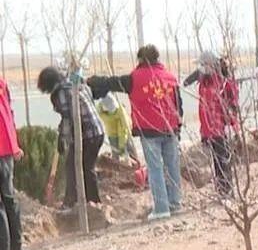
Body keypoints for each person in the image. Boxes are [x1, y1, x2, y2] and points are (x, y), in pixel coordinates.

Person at [88, 45, 184, 221]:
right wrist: (178, 127)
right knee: (172, 166)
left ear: (140, 59)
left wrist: (92, 81)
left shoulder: (135, 78)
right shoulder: (170, 77)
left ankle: (162, 208)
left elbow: (111, 82)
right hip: (171, 128)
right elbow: (179, 105)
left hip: (149, 130)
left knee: (155, 169)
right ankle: (175, 203)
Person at [41, 66, 106, 212]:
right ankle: (81, 200)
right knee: (80, 166)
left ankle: (84, 203)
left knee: (77, 167)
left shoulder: (61, 92)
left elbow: (67, 117)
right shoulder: (76, 84)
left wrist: (63, 138)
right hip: (98, 131)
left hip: (88, 134)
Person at [184, 52, 239, 196]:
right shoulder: (204, 80)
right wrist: (204, 131)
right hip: (209, 128)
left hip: (222, 127)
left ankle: (228, 191)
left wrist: (230, 124)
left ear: (210, 65)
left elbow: (232, 104)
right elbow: (189, 83)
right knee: (216, 161)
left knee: (224, 160)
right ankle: (221, 190)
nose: (200, 68)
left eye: (203, 65)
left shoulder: (224, 81)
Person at [0, 75, 28, 250]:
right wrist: (15, 145)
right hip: (7, 149)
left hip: (5, 149)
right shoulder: (2, 83)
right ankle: (17, 248)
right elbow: (9, 114)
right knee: (9, 199)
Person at [96, 93, 139, 165]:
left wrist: (122, 145)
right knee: (115, 153)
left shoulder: (120, 112)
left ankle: (136, 165)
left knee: (128, 148)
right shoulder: (100, 111)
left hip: (124, 131)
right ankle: (117, 168)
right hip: (111, 133)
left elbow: (123, 130)